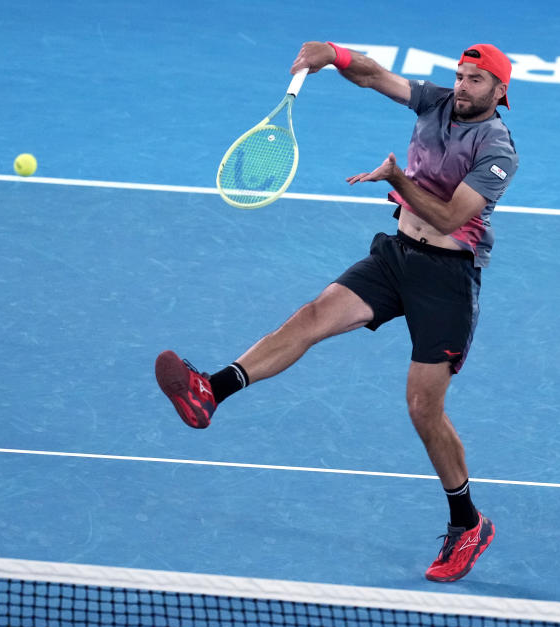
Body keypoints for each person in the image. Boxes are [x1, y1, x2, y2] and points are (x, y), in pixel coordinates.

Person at [155, 41, 518, 583]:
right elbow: (376, 76)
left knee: (423, 407)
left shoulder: (498, 149)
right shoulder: (435, 102)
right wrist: (333, 54)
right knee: (311, 316)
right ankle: (212, 389)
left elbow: (447, 218)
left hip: (446, 278)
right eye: (461, 76)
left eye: (475, 80)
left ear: (499, 91)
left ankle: (467, 523)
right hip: (396, 256)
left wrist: (398, 181)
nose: (463, 87)